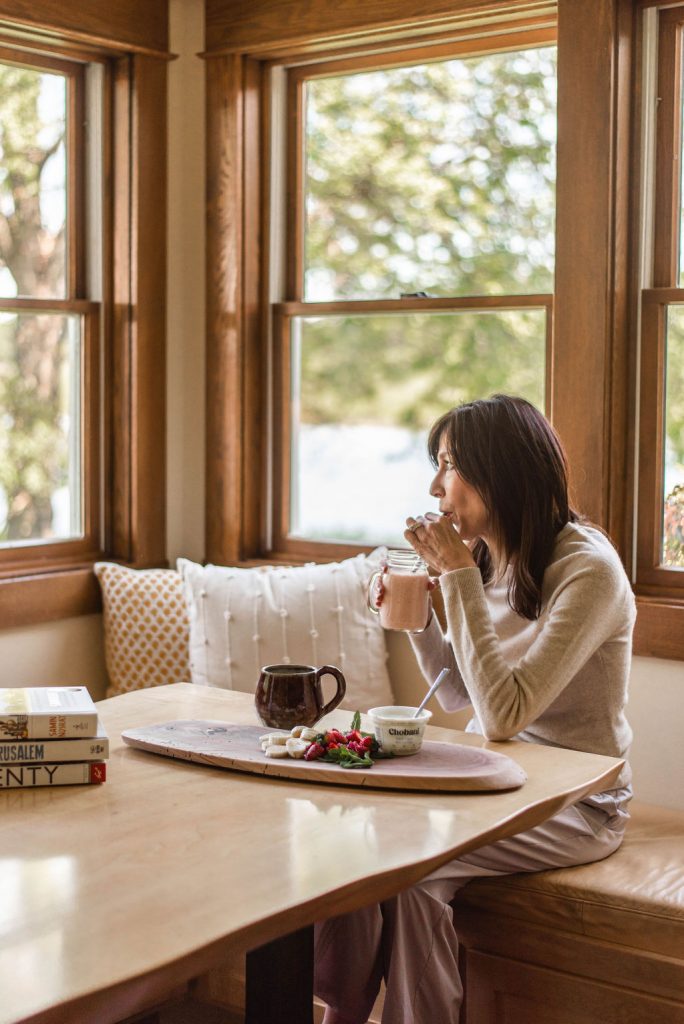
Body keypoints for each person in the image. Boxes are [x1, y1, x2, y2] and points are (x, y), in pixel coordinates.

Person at [314, 394, 635, 1024]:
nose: (435, 486)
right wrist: (414, 614)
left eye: (449, 465)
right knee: (353, 835)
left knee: (417, 873)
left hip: (579, 799)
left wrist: (457, 578)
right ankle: (343, 1007)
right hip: (501, 781)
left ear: (501, 472)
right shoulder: (491, 553)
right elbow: (460, 692)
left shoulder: (588, 571)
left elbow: (504, 716)